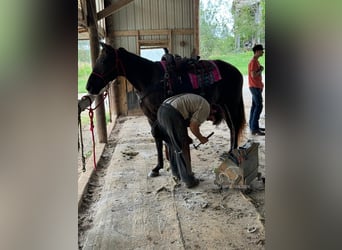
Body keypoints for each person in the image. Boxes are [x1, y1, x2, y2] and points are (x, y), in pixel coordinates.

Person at [156, 93, 223, 188]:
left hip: (162, 110)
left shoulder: (198, 101)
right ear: (214, 111)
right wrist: (201, 138)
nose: (207, 120)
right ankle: (188, 180)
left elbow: (187, 122)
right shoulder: (206, 107)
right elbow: (193, 126)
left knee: (172, 145)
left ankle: (177, 173)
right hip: (171, 113)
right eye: (211, 119)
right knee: (181, 147)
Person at [248, 44, 265, 136]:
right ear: (257, 51)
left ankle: (253, 126)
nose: (263, 52)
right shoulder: (253, 62)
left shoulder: (256, 61)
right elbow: (253, 75)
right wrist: (261, 70)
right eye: (261, 50)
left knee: (254, 106)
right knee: (259, 106)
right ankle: (254, 128)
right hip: (255, 86)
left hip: (256, 86)